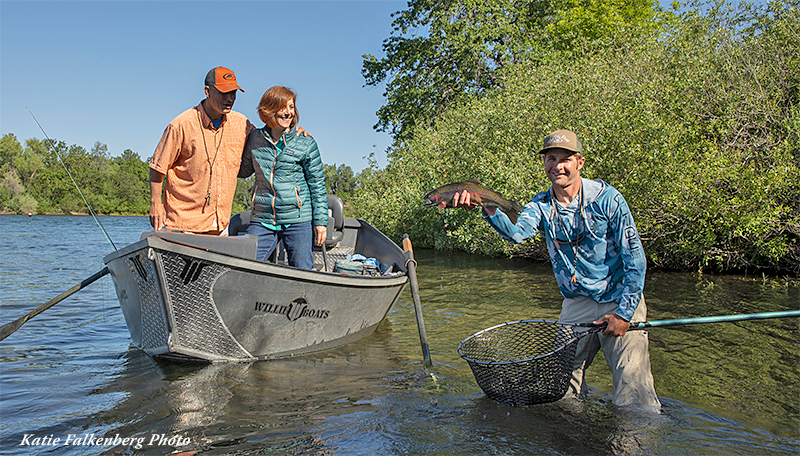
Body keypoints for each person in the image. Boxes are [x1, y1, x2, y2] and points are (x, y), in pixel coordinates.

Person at [452, 129, 660, 408]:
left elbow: (635, 260)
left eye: (566, 159)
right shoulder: (540, 205)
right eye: (551, 158)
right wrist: (489, 210)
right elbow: (517, 233)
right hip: (576, 304)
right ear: (545, 163)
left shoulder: (608, 199)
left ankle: (632, 444)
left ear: (580, 163)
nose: (558, 166)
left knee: (634, 392)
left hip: (619, 298)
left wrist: (624, 314)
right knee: (561, 389)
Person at [149, 66, 309, 234]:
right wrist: (155, 204)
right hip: (182, 224)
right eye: (224, 93)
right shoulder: (180, 125)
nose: (230, 98)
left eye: (233, 93)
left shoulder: (242, 123)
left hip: (220, 226)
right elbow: (157, 167)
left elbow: (269, 136)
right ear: (207, 91)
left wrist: (293, 132)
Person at [238, 86, 328, 269]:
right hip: (262, 217)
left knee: (302, 271)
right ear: (268, 109)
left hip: (298, 218)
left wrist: (320, 223)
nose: (288, 113)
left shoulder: (305, 142)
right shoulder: (255, 139)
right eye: (283, 107)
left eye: (291, 107)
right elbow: (243, 170)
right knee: (245, 265)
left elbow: (317, 185)